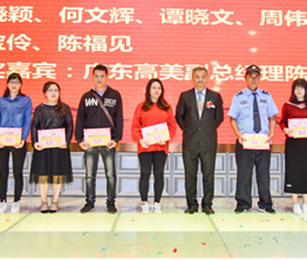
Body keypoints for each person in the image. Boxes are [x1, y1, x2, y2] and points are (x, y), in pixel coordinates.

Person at [228, 64, 278, 214]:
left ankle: (265, 204)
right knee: (244, 174)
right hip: (245, 141)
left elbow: (273, 118)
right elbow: (232, 118)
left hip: (263, 142)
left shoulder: (266, 96)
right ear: (246, 78)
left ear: (259, 78)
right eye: (251, 76)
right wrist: (238, 135)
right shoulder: (238, 97)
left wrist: (271, 134)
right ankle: (243, 204)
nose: (253, 79)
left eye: (256, 76)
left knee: (263, 175)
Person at [75, 63, 123, 214]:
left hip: (108, 143)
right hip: (90, 143)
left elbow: (119, 118)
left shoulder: (115, 95)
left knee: (110, 175)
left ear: (107, 77)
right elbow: (80, 119)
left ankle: (111, 202)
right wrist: (79, 140)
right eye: (96, 76)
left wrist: (116, 139)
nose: (99, 79)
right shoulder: (86, 97)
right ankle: (89, 202)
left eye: (102, 76)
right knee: (90, 175)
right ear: (92, 77)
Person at [175, 66, 224, 214]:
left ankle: (207, 204)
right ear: (192, 78)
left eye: (203, 77)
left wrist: (206, 129)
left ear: (207, 78)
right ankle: (192, 204)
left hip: (208, 142)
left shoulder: (215, 96)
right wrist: (190, 129)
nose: (200, 80)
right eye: (197, 77)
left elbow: (219, 118)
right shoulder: (185, 96)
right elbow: (179, 116)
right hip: (190, 142)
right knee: (190, 175)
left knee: (208, 175)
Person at [131, 78, 177, 213]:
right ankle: (144, 203)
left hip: (161, 148)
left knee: (159, 174)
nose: (156, 90)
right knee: (145, 173)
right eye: (154, 88)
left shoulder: (167, 107)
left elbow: (172, 126)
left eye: (159, 88)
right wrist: (140, 140)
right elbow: (135, 127)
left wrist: (166, 137)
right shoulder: (141, 107)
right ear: (148, 90)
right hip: (145, 147)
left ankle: (157, 202)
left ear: (162, 91)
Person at [0, 72, 32, 214]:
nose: (14, 85)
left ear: (21, 85)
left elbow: (27, 120)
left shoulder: (25, 100)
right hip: (2, 141)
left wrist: (23, 139)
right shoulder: (0, 101)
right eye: (12, 82)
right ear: (7, 84)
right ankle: (2, 202)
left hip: (18, 141)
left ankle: (16, 202)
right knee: (2, 173)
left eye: (17, 82)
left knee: (17, 173)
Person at [30, 80, 73, 212]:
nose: (53, 93)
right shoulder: (40, 109)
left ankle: (55, 201)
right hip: (43, 147)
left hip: (59, 147)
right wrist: (35, 142)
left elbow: (69, 126)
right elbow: (34, 126)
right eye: (50, 90)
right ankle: (44, 202)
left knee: (57, 174)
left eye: (56, 90)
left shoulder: (64, 108)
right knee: (42, 175)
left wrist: (66, 141)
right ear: (45, 93)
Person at [279, 78, 307, 214]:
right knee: (293, 171)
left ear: (306, 90)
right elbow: (282, 122)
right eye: (296, 88)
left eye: (302, 88)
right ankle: (295, 203)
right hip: (293, 143)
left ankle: (305, 203)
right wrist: (285, 129)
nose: (299, 90)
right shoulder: (287, 105)